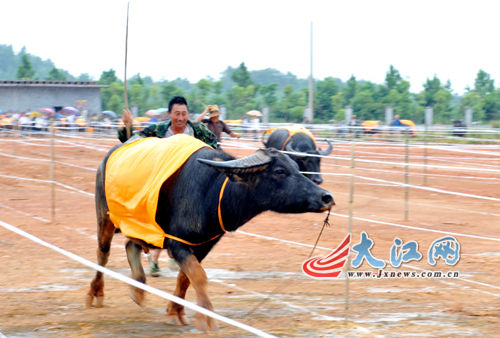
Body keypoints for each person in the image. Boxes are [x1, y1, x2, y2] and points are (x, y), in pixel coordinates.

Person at [117, 96, 218, 277]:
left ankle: (175, 253)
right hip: (161, 186)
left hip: (190, 189)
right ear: (169, 114)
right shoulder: (159, 130)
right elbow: (132, 142)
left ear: (188, 115)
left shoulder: (199, 130)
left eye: (184, 114)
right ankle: (154, 255)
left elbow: (215, 151)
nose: (180, 118)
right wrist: (128, 126)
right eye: (176, 114)